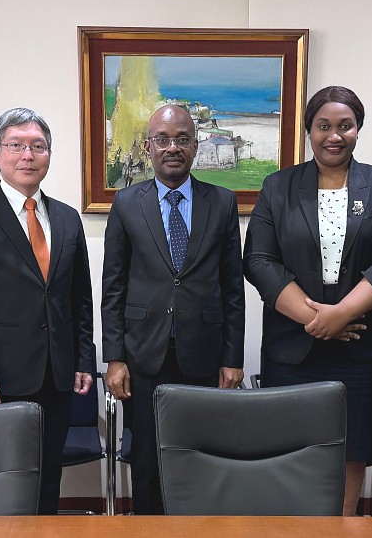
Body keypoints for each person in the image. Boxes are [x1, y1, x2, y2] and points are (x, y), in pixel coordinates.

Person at [243, 85, 372, 516]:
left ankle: (341, 526)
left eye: (345, 126)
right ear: (309, 131)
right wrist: (315, 318)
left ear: (358, 130)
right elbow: (259, 261)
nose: (333, 135)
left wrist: (343, 313)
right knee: (290, 449)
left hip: (360, 349)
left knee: (351, 448)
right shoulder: (278, 186)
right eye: (323, 126)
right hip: (292, 347)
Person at [0, 107, 95, 515]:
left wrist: (84, 357)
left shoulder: (66, 218)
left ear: (49, 154)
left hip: (58, 373)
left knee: (49, 475)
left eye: (38, 146)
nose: (27, 155)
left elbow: (80, 298)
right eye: (16, 145)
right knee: (6, 476)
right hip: (0, 379)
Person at [102, 104, 245, 514]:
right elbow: (113, 287)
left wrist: (231, 358)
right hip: (143, 356)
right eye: (163, 139)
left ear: (195, 147)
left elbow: (232, 288)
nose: (172, 147)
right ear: (148, 147)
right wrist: (114, 358)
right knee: (147, 461)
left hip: (204, 355)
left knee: (200, 459)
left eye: (182, 139)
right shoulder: (128, 203)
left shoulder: (221, 202)